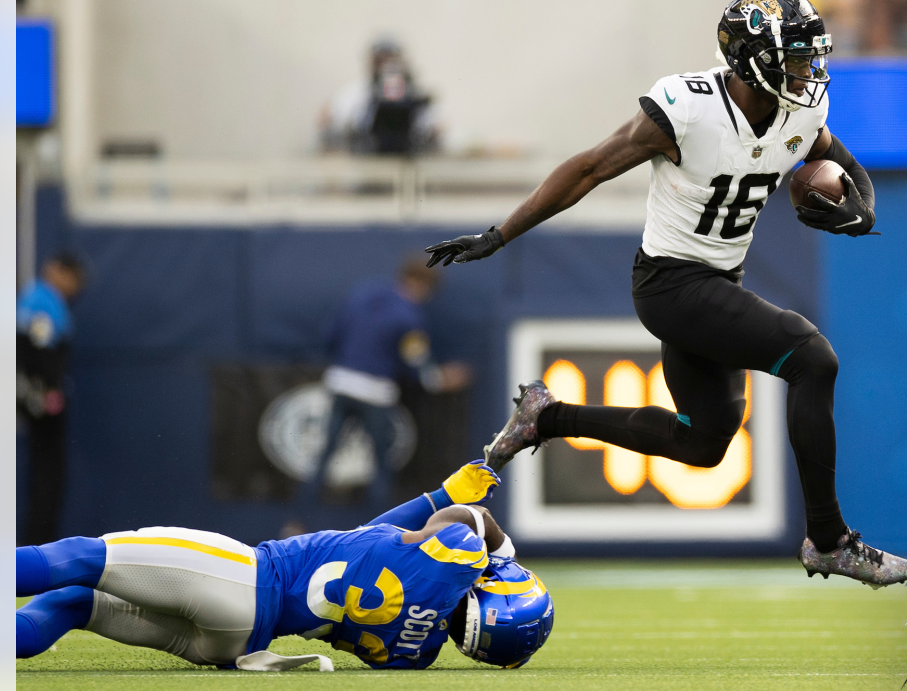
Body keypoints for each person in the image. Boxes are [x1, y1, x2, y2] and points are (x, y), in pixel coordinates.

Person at [425, 0, 907, 588]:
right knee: (812, 360)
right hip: (670, 285)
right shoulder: (685, 108)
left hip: (718, 283)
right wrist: (501, 234)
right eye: (793, 57)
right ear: (751, 59)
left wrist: (861, 209)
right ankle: (829, 538)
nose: (807, 71)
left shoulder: (800, 111)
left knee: (704, 443)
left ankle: (547, 418)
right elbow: (588, 168)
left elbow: (842, 161)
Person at [17, 460, 554, 670]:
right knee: (73, 605)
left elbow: (470, 521)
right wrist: (437, 495)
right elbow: (370, 542)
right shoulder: (416, 655)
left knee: (75, 561)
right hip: (231, 645)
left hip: (242, 580)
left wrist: (497, 547)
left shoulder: (458, 555)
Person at [300, 259, 471, 512]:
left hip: (341, 383)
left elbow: (330, 335)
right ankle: (381, 532)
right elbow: (418, 367)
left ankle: (294, 525)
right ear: (423, 285)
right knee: (381, 467)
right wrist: (442, 379)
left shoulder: (361, 295)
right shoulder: (410, 317)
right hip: (375, 394)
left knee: (322, 460)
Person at [17, 253, 87, 546]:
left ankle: (38, 546)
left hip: (41, 398)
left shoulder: (46, 301)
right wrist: (45, 394)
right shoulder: (42, 302)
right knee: (48, 475)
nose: (75, 286)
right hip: (41, 401)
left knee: (49, 475)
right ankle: (37, 549)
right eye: (71, 277)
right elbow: (37, 352)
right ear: (55, 271)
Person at [319, 37, 440, 156]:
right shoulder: (357, 94)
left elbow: (436, 127)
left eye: (391, 60)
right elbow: (330, 122)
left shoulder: (415, 93)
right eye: (380, 61)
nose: (386, 67)